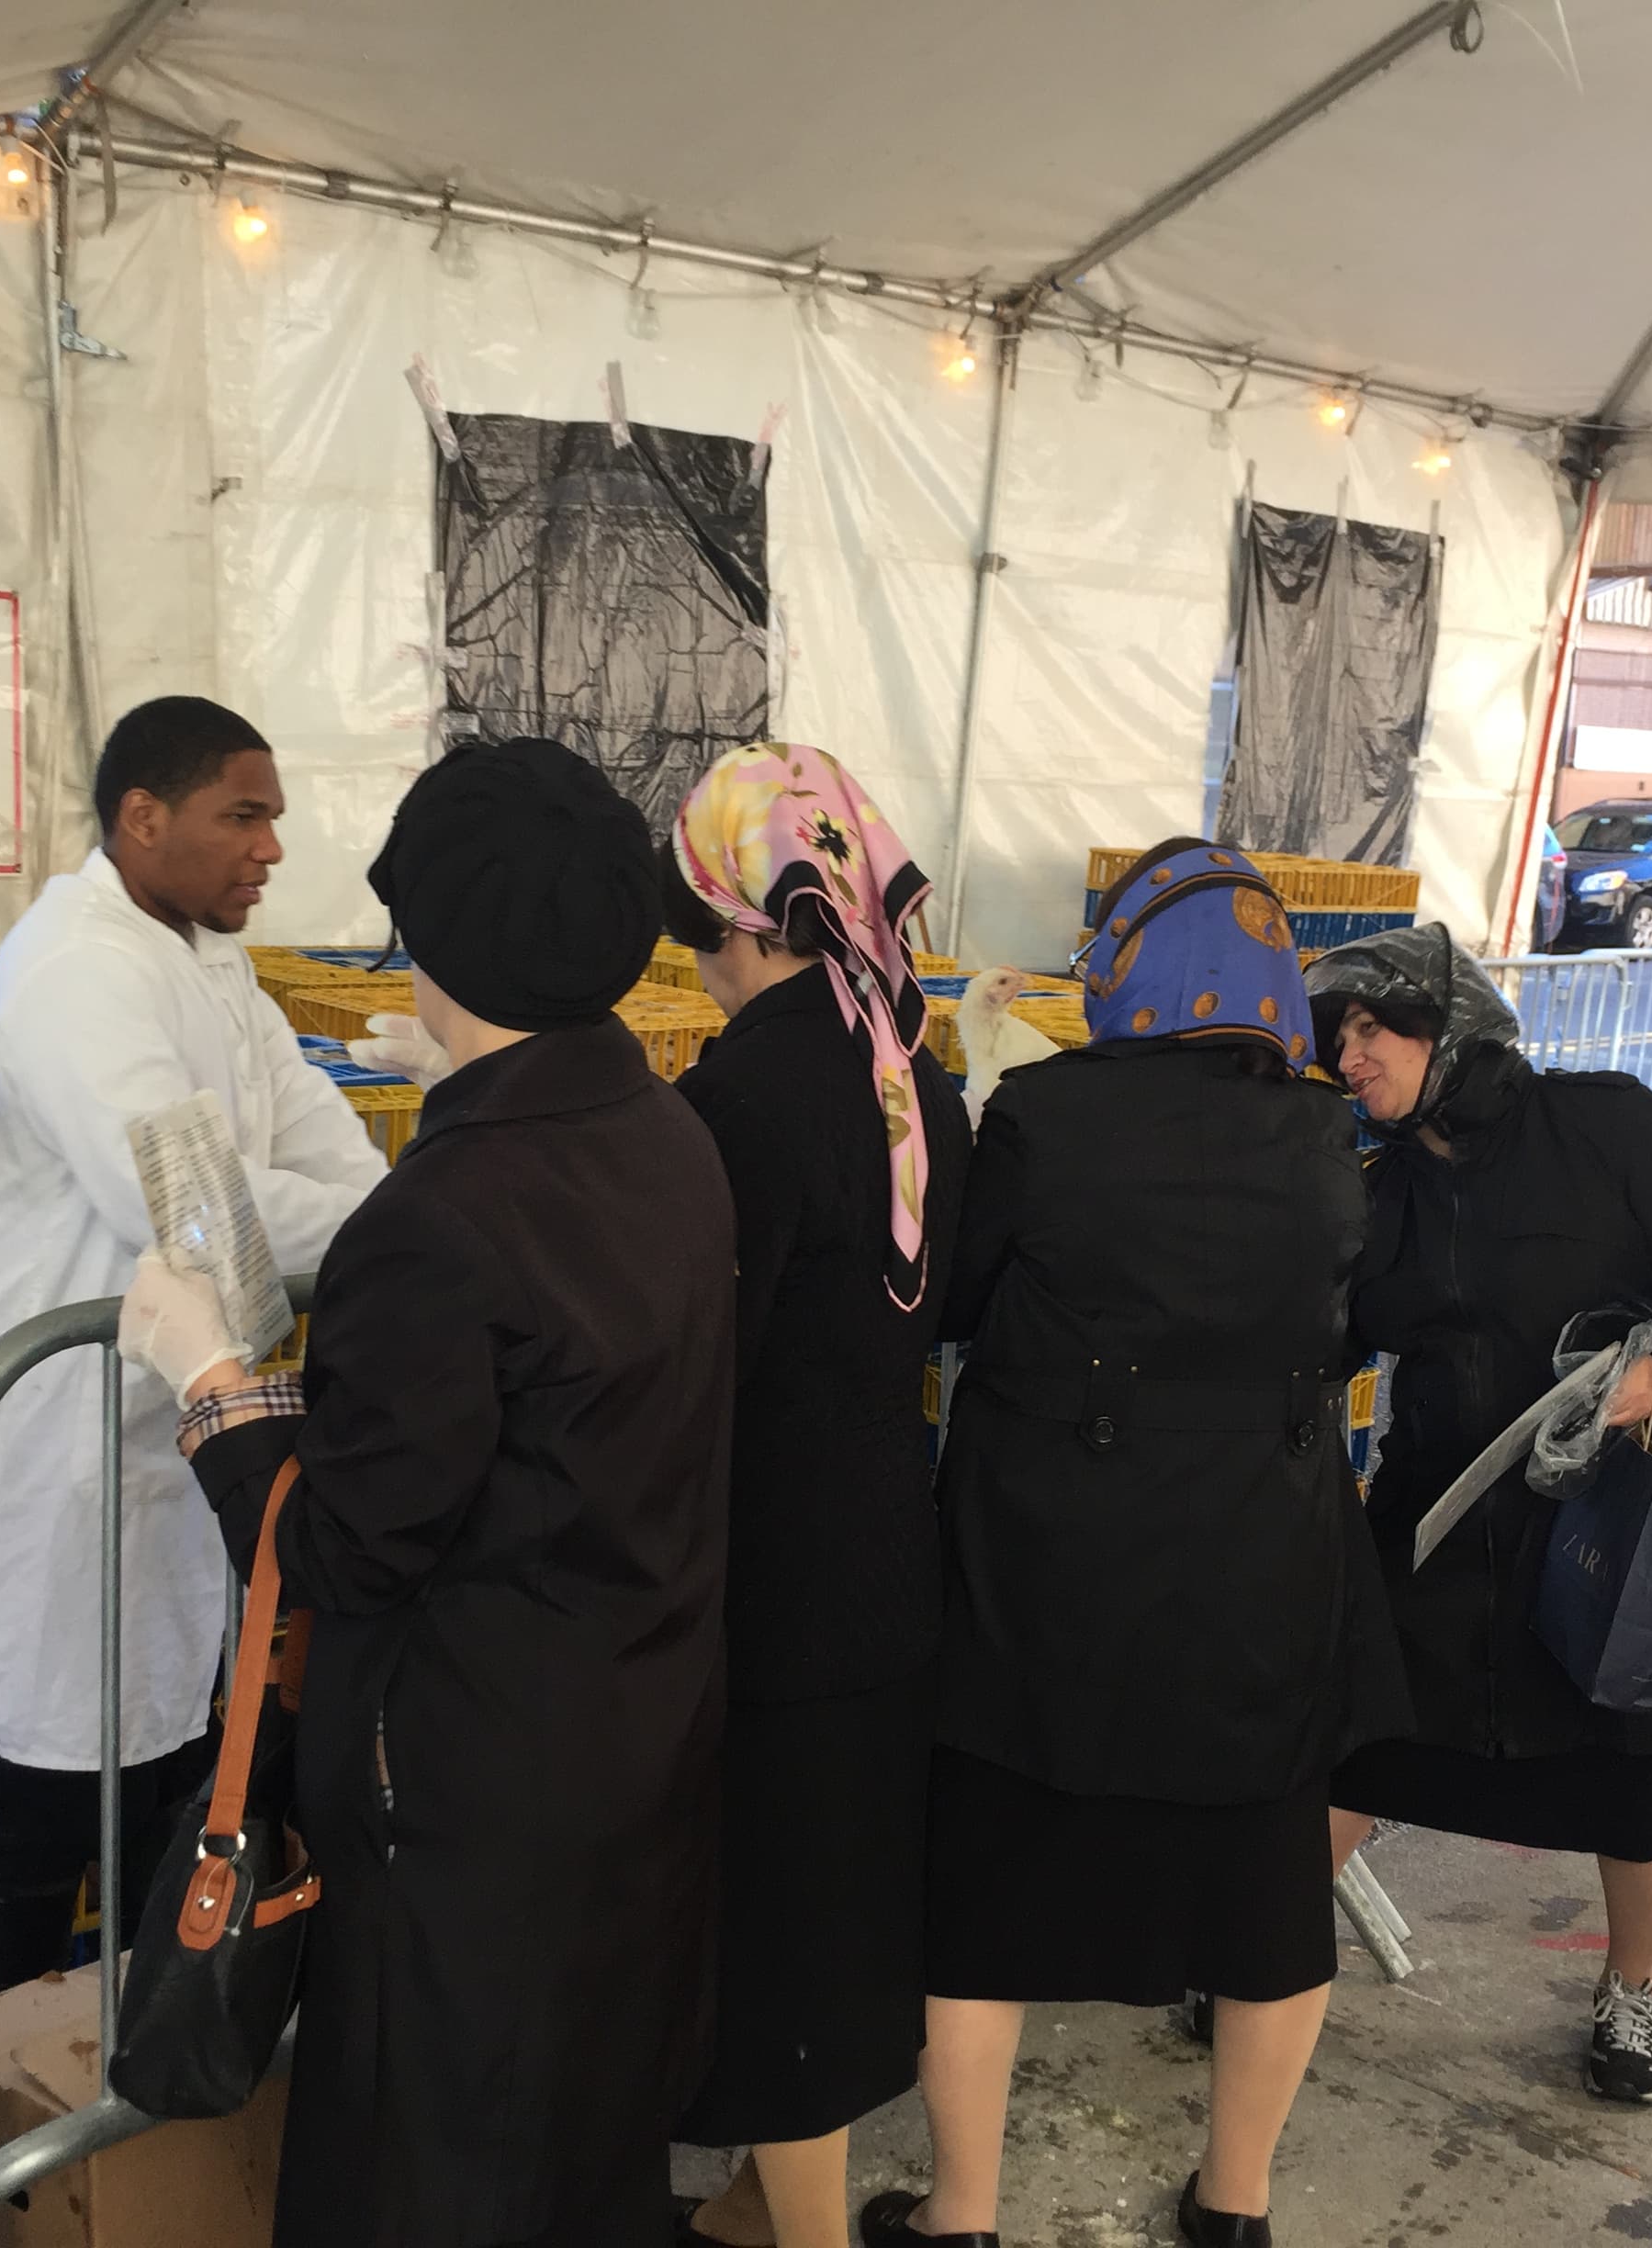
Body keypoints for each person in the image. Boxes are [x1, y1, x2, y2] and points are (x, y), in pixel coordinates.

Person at [118, 735, 737, 2247]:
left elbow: (343, 1541)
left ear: (438, 942)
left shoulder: (440, 1223)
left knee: (434, 2167)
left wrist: (214, 1385)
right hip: (639, 1750)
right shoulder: (667, 1134)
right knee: (588, 2147)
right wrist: (465, 1066)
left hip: (460, 1804)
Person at [869, 839, 1408, 2248]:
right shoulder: (1322, 1137)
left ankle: (965, 2217)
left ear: (1130, 968)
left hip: (1050, 1572)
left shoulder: (1050, 1116)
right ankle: (1234, 2207)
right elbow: (1355, 1323)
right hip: (1263, 1574)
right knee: (1270, 1903)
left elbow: (954, 1299)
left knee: (984, 1898)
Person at [0, 694, 390, 1996]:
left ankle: (127, 2105)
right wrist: (406, 1244)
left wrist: (391, 1221)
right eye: (245, 816)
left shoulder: (207, 962)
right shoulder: (78, 970)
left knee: (172, 1785)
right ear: (143, 817)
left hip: (174, 1440)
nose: (272, 849)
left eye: (275, 819)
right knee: (43, 1813)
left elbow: (310, 1135)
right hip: (60, 1460)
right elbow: (184, 1204)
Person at [1305, 926, 1652, 2108]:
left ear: (1455, 1029)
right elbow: (1330, 1328)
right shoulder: (1377, 1180)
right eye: (1341, 1036)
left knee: (1631, 1783)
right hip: (1442, 1514)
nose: (1352, 1054)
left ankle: (1636, 1990)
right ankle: (1269, 1961)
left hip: (1613, 1518)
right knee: (1348, 1745)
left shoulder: (1606, 1124)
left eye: (1376, 1028)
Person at [652, 746, 972, 2248]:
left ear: (733, 902)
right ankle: (764, 2209)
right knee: (840, 1911)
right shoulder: (917, 1066)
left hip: (767, 1571)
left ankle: (803, 2232)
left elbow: (707, 1353)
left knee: (772, 1924)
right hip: (885, 1550)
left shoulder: (743, 1096)